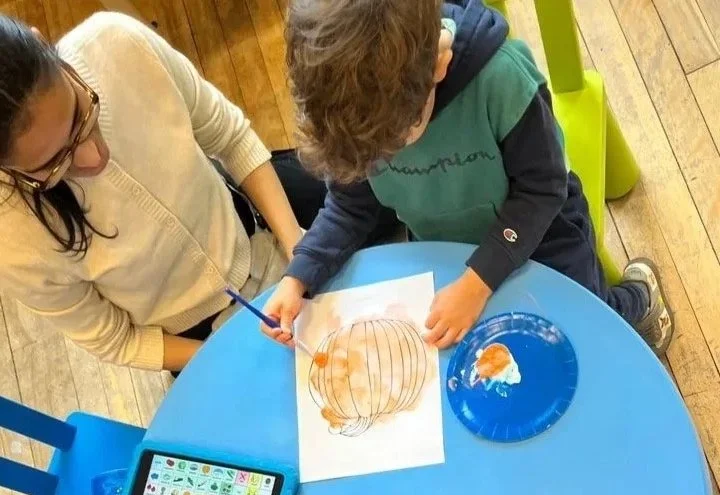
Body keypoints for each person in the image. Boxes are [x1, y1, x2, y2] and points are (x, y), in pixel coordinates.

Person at [262, 0, 674, 356]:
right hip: (443, 250)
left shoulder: (501, 80)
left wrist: (477, 284)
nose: (383, 157)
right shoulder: (362, 119)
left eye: (395, 143)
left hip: (543, 235)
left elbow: (541, 190)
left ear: (440, 64)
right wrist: (299, 276)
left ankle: (637, 304)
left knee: (586, 317)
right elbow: (349, 206)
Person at [0, 12, 395, 373]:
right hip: (196, 339)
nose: (94, 156)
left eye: (81, 114)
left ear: (42, 42)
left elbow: (230, 137)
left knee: (381, 194)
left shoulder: (117, 43)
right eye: (54, 165)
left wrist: (298, 250)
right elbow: (115, 339)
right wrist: (222, 355)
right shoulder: (11, 241)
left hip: (253, 224)